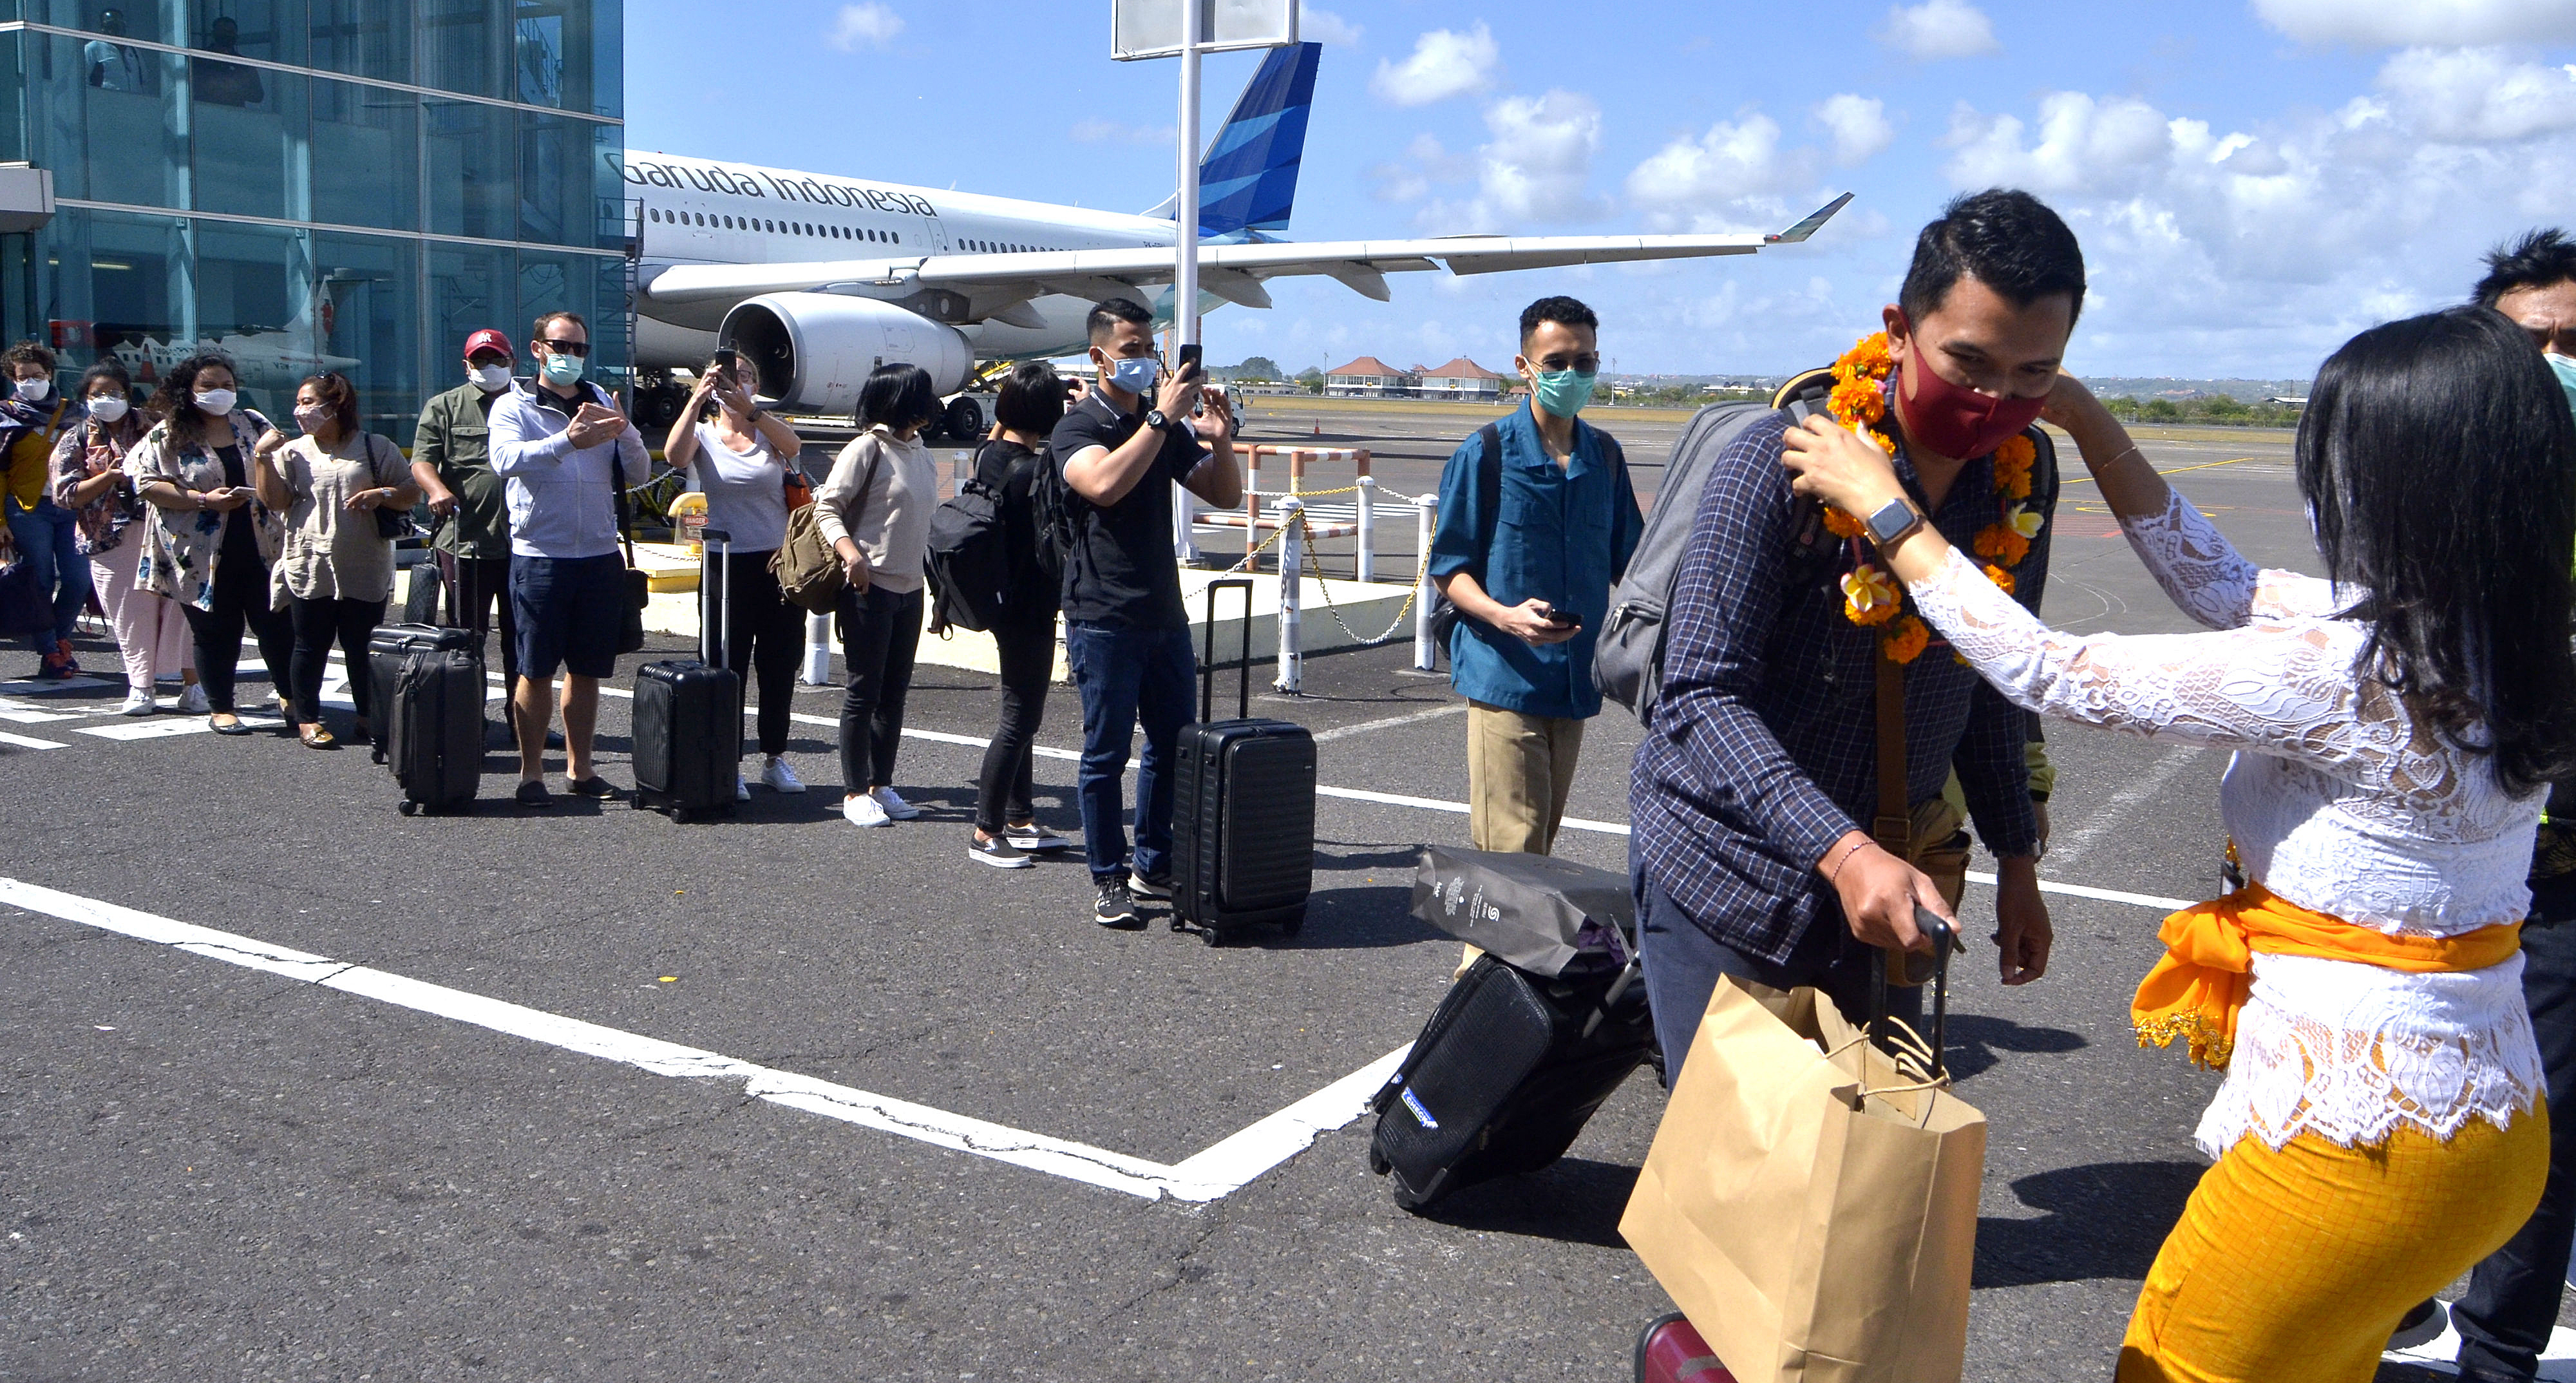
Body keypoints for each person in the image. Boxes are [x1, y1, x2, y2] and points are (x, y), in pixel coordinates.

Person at [1782, 303, 2575, 1383]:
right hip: (2487, 1126)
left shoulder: (2348, 674)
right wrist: (2087, 418)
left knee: (2173, 1361)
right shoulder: (2488, 634)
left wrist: (1885, 509)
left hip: (2363, 1137)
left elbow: (2048, 670)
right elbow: (2228, 587)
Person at [1630, 189, 2065, 1065]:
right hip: (1731, 876)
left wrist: (2018, 861)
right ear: (1898, 331)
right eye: (1969, 362)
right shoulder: (1778, 460)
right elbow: (1700, 691)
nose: (1992, 400)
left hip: (1890, 887)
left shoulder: (2021, 481)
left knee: (1865, 1173)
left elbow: (1990, 679)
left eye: (2032, 376)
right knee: (1748, 1179)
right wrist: (1842, 850)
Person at [2432, 227, 2576, 1383]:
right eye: (2542, 344)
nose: (2561, 366)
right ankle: (2381, 1298)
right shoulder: (2441, 489)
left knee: (2551, 1118)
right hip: (2446, 859)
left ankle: (2496, 1355)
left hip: (2563, 859)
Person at [1427, 296, 1642, 971]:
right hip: (1504, 676)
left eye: (1584, 362)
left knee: (1536, 854)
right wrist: (1504, 615)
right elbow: (1448, 569)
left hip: (1572, 682)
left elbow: (1634, 562)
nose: (1571, 373)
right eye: (1556, 362)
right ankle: (1481, 1003)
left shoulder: (1603, 457)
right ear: (1523, 366)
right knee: (1514, 857)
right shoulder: (1486, 451)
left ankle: (1506, 993)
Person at [1048, 298, 1242, 927]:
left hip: (1163, 610)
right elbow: (1102, 483)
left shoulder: (1162, 427)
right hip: (1102, 613)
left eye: (1149, 350)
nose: (1144, 361)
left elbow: (1223, 492)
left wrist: (1220, 441)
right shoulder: (1080, 425)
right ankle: (1108, 875)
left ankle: (1152, 860)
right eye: (1131, 350)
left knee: (1173, 744)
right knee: (1105, 753)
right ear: (1098, 356)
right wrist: (1160, 417)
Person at [489, 311, 647, 808]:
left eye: (580, 349)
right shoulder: (513, 405)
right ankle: (531, 771)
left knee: (587, 669)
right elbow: (504, 461)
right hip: (541, 555)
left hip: (599, 554)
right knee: (535, 669)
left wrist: (625, 432)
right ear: (537, 348)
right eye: (562, 346)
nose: (571, 357)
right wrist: (567, 441)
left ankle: (582, 768)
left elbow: (639, 473)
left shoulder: (600, 400)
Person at [662, 351, 808, 799]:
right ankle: (728, 759)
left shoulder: (768, 429)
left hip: (777, 562)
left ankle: (775, 757)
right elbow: (673, 454)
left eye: (746, 376)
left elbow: (795, 447)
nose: (737, 383)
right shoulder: (704, 434)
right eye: (727, 376)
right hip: (725, 561)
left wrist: (754, 413)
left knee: (780, 663)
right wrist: (697, 398)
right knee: (726, 664)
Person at [126, 352, 292, 734]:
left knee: (277, 626)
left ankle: (292, 698)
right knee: (216, 632)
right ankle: (221, 707)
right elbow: (147, 484)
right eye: (210, 386)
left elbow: (284, 467)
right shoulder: (167, 433)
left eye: (228, 386)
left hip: (260, 543)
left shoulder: (252, 422)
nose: (221, 392)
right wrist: (203, 500)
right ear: (189, 390)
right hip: (196, 551)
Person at [254, 372, 419, 749]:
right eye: (298, 403)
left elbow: (410, 493)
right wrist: (262, 456)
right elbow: (275, 501)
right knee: (310, 644)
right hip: (310, 560)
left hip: (363, 561)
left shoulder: (376, 446)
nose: (300, 411)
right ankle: (307, 718)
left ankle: (368, 716)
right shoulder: (293, 451)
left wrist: (382, 493)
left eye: (309, 403)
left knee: (362, 646)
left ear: (337, 406)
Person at [815, 363, 940, 828]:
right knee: (863, 692)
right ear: (902, 399)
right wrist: (852, 556)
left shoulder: (920, 451)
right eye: (923, 394)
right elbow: (827, 506)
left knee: (895, 693)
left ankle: (880, 783)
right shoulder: (867, 448)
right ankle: (854, 789)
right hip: (870, 586)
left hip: (911, 588)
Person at [966, 361, 1075, 868]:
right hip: (1030, 604)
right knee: (1020, 716)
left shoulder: (988, 455)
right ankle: (987, 829)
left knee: (1021, 710)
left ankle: (1020, 816)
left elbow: (1003, 436)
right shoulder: (1036, 471)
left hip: (1000, 598)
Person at [48, 358, 200, 715]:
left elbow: (189, 468)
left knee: (180, 607)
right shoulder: (76, 437)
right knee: (132, 615)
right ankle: (142, 688)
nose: (107, 399)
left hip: (166, 530)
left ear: (129, 394)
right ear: (85, 398)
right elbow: (65, 494)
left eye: (114, 392)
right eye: (97, 393)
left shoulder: (157, 427)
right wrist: (108, 477)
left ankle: (193, 686)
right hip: (109, 538)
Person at [412, 329, 522, 700]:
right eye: (480, 360)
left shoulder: (532, 403)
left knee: (523, 640)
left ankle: (520, 719)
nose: (489, 367)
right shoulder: (445, 406)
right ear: (467, 365)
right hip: (466, 543)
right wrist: (436, 489)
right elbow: (422, 461)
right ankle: (467, 721)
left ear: (513, 363)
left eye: (497, 360)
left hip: (525, 543)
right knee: (466, 638)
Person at [2, 340, 93, 680]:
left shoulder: (77, 413)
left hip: (71, 505)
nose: (31, 382)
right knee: (38, 581)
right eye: (23, 377)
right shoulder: (5, 415)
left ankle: (59, 638)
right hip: (27, 508)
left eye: (37, 375)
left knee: (78, 579)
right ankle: (51, 651)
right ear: (13, 379)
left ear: (51, 374)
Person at [84, 9, 149, 91]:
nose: (116, 30)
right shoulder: (93, 48)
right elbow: (83, 80)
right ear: (103, 28)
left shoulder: (134, 50)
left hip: (133, 101)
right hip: (105, 102)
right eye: (111, 26)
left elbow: (144, 80)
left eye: (119, 25)